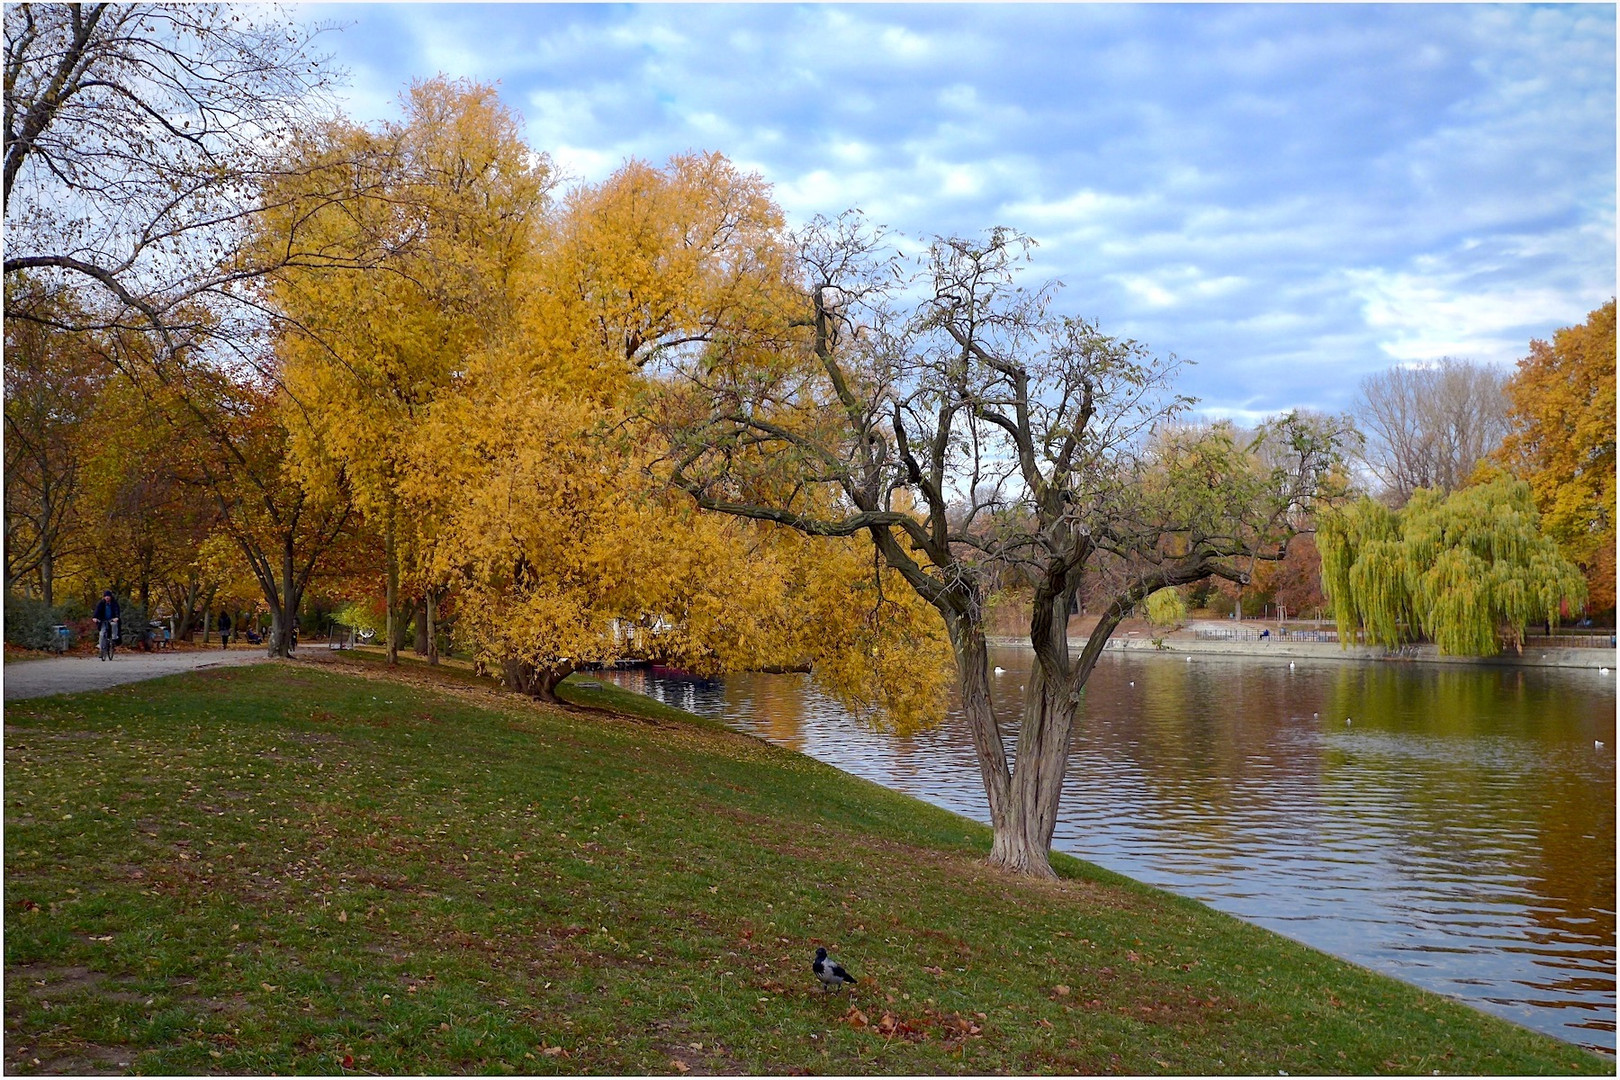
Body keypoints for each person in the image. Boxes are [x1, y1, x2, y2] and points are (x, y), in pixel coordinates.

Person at [93, 590, 121, 661]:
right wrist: (95, 617)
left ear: (110, 597)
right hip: (103, 620)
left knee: (114, 624)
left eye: (108, 596)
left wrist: (116, 617)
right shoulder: (101, 603)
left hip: (112, 619)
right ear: (104, 597)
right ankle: (101, 650)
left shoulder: (114, 603)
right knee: (102, 634)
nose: (107, 598)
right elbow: (97, 610)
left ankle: (114, 637)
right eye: (105, 596)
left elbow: (117, 610)